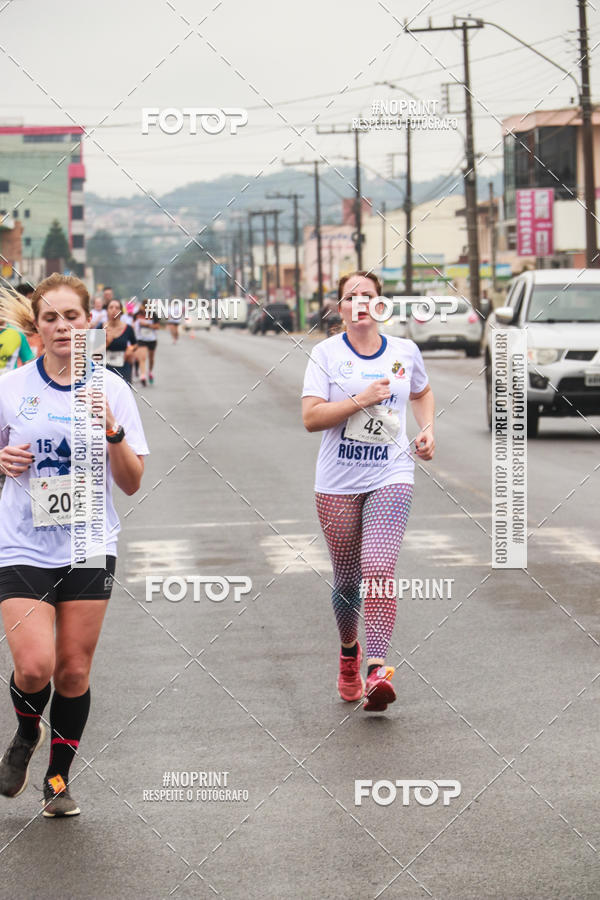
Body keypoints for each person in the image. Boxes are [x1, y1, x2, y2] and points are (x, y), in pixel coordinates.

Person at [0, 273, 149, 816]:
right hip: (21, 542)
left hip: (88, 540)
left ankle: (58, 779)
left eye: (72, 317)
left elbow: (132, 482)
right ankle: (24, 735)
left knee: (72, 672)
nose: (63, 326)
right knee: (35, 667)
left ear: (89, 322)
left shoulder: (111, 389)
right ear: (36, 328)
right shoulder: (11, 388)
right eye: (51, 318)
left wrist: (112, 433)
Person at [302, 272, 435, 712]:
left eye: (368, 296)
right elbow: (312, 418)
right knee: (346, 580)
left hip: (391, 474)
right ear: (340, 309)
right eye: (350, 297)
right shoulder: (324, 354)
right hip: (338, 482)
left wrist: (427, 428)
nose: (360, 303)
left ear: (381, 305)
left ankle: (377, 671)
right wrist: (360, 399)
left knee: (378, 567)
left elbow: (422, 391)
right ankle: (348, 654)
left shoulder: (404, 351)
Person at [99, 298, 137, 385]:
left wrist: (130, 349)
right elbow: (92, 353)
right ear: (107, 311)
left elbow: (135, 344)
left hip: (123, 368)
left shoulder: (128, 328)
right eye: (111, 307)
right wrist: (107, 343)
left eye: (117, 308)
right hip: (104, 369)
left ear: (121, 312)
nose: (114, 310)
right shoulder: (100, 327)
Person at [134, 304, 160, 386]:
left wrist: (147, 325)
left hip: (152, 339)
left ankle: (150, 372)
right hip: (141, 339)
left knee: (151, 358)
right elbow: (133, 323)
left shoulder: (153, 315)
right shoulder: (138, 314)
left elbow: (157, 326)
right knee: (143, 357)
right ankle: (143, 376)